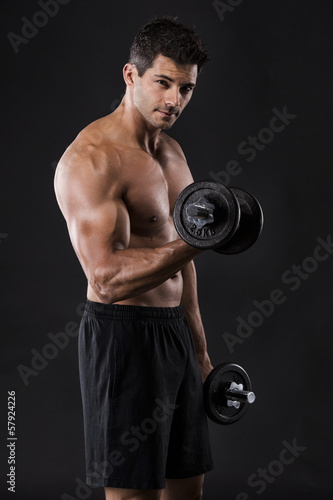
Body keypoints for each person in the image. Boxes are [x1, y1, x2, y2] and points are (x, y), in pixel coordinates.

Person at [54, 17, 214, 500]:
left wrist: (201, 351)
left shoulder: (173, 155)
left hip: (175, 335)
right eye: (163, 82)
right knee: (133, 493)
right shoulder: (93, 160)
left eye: (185, 88)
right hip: (122, 337)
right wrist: (200, 240)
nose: (174, 100)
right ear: (131, 75)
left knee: (188, 484)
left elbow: (182, 261)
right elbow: (104, 278)